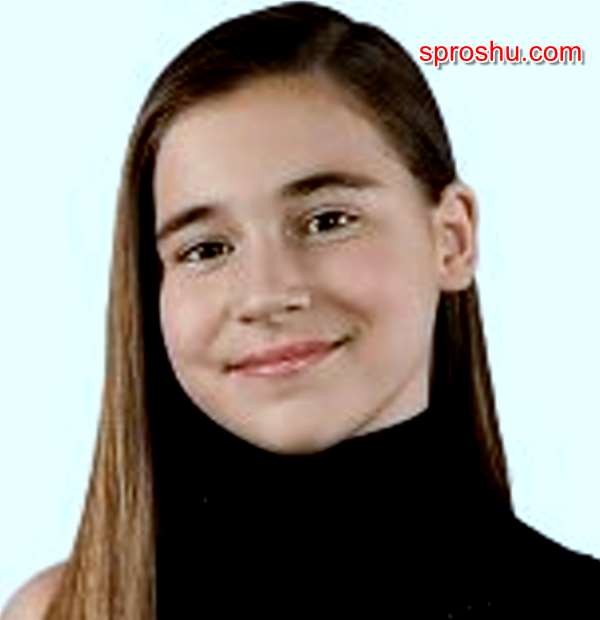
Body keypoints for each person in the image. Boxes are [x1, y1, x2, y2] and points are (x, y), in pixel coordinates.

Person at [2, 2, 599, 619]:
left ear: (452, 239)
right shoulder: (62, 610)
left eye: (327, 221)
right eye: (206, 249)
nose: (266, 293)